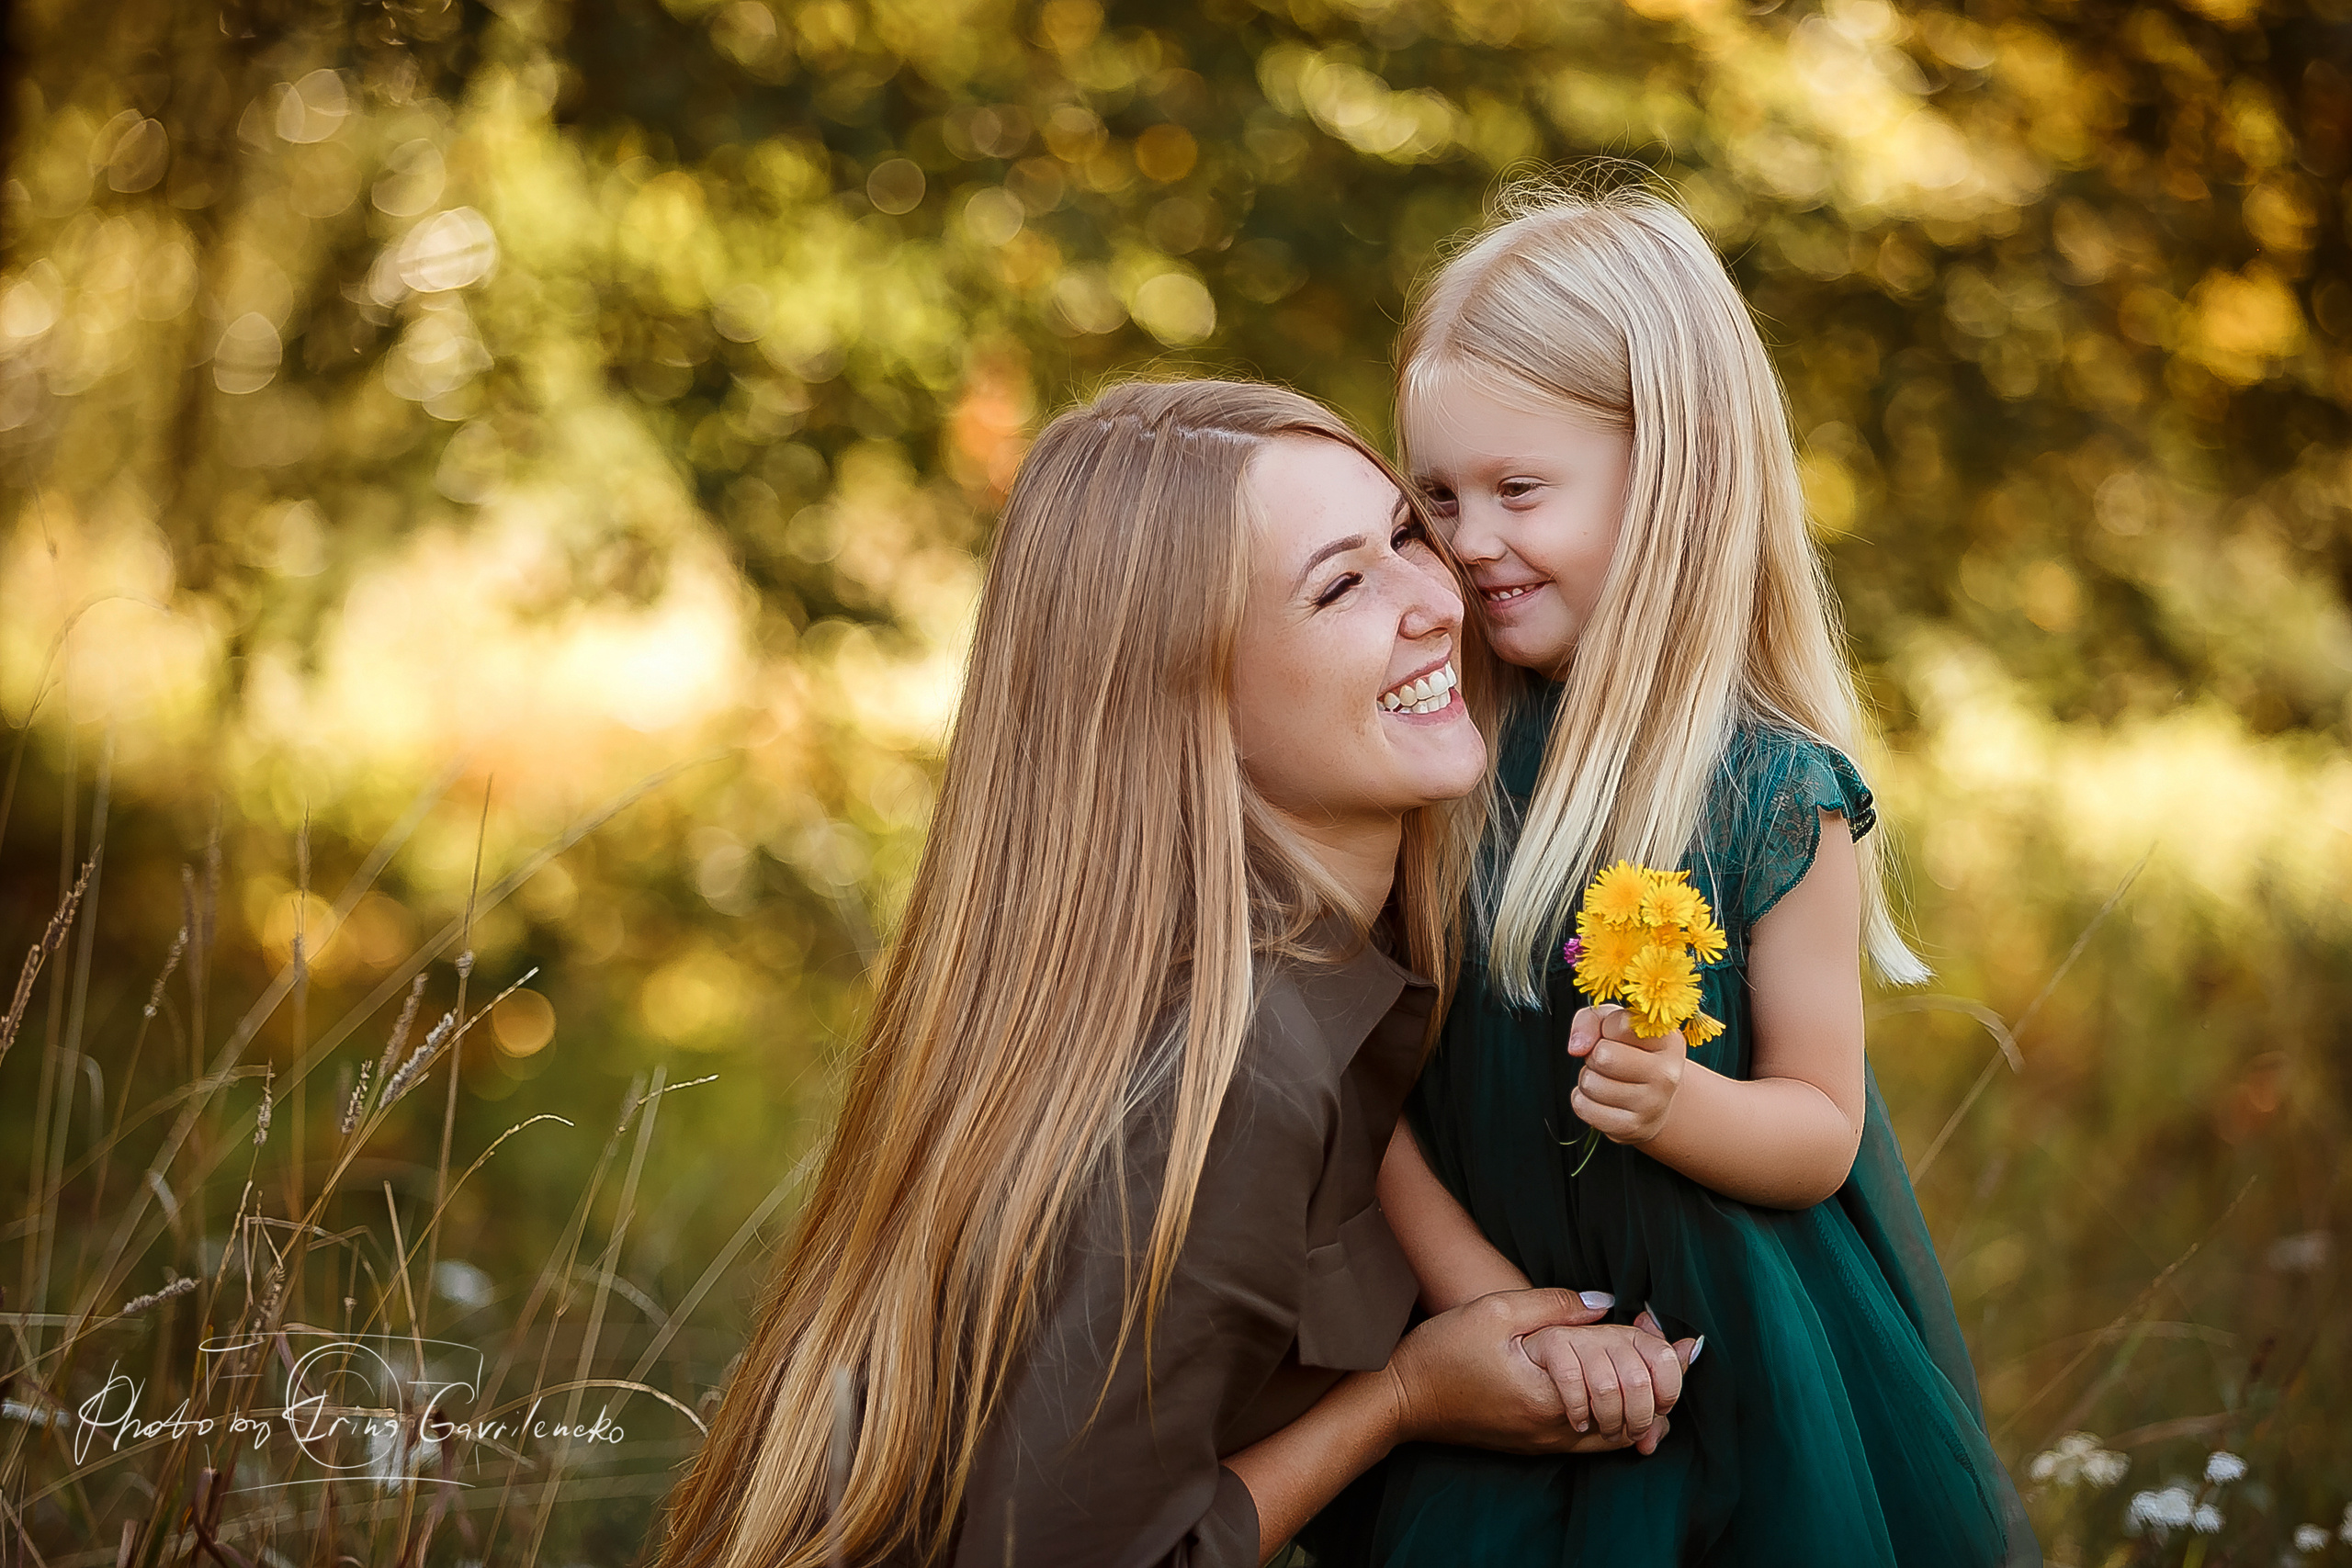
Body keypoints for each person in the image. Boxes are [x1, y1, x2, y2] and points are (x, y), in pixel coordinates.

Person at [653, 379, 1696, 1568]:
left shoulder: (1251, 979)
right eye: (1339, 586)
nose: (1437, 597)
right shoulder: (1232, 1066)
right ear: (1184, 691)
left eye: (1406, 534)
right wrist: (1400, 1401)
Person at [1357, 186, 2042, 1565]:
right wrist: (1499, 1311)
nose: (1469, 539)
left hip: (1734, 1380)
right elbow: (1366, 1088)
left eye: (1518, 491)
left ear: (1670, 479)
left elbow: (1819, 1127)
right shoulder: (1434, 753)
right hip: (1501, 1357)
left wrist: (1677, 1105)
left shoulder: (1772, 794)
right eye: (1437, 497)